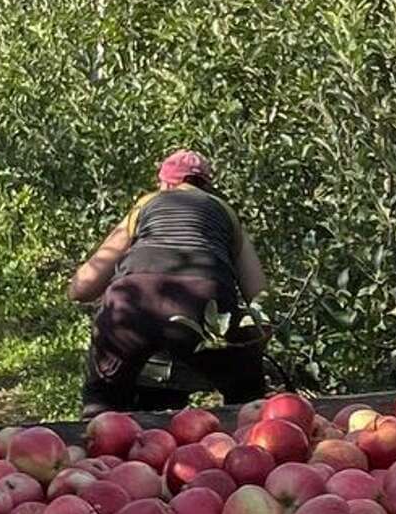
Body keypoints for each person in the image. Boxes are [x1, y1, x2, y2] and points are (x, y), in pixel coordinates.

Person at [69, 151, 268, 414]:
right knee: (247, 393)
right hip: (206, 302)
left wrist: (75, 289)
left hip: (134, 302)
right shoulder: (225, 212)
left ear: (165, 183)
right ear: (206, 185)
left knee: (103, 395)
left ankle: (96, 428)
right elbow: (259, 295)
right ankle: (250, 436)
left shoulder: (148, 204)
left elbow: (83, 288)